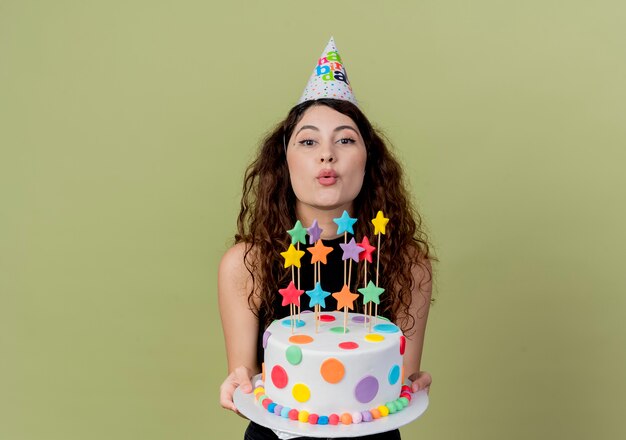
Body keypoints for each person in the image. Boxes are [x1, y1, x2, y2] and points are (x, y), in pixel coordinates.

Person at [218, 38, 433, 440]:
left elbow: (395, 387)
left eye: (346, 139)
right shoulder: (245, 264)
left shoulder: (405, 262)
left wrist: (409, 388)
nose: (327, 155)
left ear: (369, 159)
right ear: (284, 160)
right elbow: (246, 380)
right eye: (308, 140)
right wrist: (237, 386)